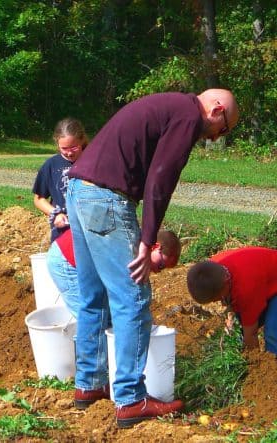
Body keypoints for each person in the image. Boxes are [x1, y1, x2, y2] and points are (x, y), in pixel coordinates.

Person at [65, 89, 238, 428]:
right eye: (225, 129)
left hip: (79, 190)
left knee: (94, 295)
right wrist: (148, 240)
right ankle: (130, 398)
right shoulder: (189, 116)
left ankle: (90, 383)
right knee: (133, 296)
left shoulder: (169, 105)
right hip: (105, 199)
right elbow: (161, 178)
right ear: (217, 110)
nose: (218, 137)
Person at [48, 229, 181, 317]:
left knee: (105, 317)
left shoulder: (138, 249)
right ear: (156, 247)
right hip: (67, 260)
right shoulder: (132, 250)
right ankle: (83, 358)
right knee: (90, 318)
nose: (157, 271)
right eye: (161, 265)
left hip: (83, 264)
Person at [187, 247, 277, 357]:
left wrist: (252, 361)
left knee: (272, 331)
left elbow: (251, 335)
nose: (219, 302)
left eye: (218, 298)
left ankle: (272, 367)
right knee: (239, 328)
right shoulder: (214, 268)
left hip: (269, 283)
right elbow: (231, 301)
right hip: (264, 282)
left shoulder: (246, 289)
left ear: (226, 283)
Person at [33, 118, 88, 243]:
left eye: (74, 147)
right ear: (57, 143)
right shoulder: (51, 165)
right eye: (64, 148)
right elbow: (39, 199)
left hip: (91, 231)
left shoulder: (93, 161)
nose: (69, 153)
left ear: (82, 140)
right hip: (62, 233)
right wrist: (55, 213)